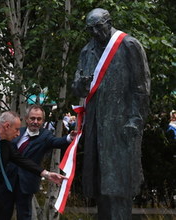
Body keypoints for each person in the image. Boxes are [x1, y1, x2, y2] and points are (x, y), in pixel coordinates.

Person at [72, 8, 150, 219]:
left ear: (109, 23)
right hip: (96, 127)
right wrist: (80, 84)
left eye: (98, 27)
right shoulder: (87, 51)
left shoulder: (128, 45)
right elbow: (77, 88)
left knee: (119, 186)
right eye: (91, 29)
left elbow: (141, 87)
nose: (95, 32)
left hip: (121, 127)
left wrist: (135, 119)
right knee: (99, 185)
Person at [0, 105, 75, 220]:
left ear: (43, 121)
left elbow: (57, 142)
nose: (35, 122)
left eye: (39, 119)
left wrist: (69, 137)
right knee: (2, 213)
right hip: (7, 180)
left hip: (26, 182)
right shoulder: (17, 131)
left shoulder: (45, 136)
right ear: (26, 119)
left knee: (24, 215)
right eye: (32, 118)